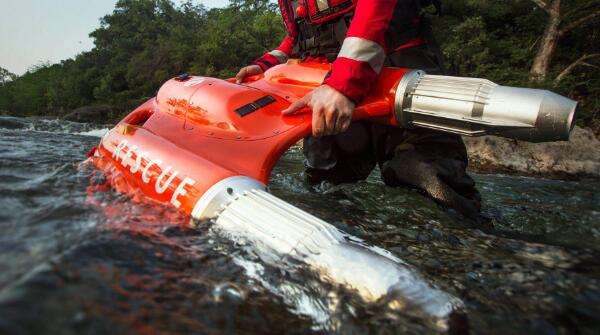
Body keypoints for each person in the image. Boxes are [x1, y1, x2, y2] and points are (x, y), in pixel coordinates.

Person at [235, 0, 482, 220]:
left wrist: (344, 83)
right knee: (326, 187)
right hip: (326, 85)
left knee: (427, 177)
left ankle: (470, 250)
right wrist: (267, 64)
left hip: (396, 72)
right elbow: (300, 33)